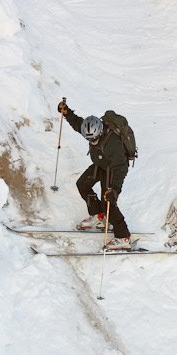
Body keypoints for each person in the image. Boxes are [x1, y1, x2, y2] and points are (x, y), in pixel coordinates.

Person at [57, 100, 131, 251]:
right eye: (89, 140)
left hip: (113, 169)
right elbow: (77, 123)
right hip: (100, 164)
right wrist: (67, 112)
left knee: (108, 201)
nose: (93, 142)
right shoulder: (90, 129)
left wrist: (114, 189)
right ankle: (99, 216)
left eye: (95, 139)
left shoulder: (113, 143)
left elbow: (121, 167)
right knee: (82, 185)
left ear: (100, 132)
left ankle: (123, 237)